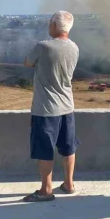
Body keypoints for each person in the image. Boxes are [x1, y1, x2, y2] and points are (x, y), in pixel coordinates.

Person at [22, 11, 80, 202]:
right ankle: (69, 184)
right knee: (68, 147)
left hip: (46, 109)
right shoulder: (74, 47)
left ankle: (46, 190)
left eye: (50, 22)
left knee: (45, 150)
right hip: (67, 106)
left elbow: (28, 62)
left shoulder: (43, 46)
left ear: (55, 25)